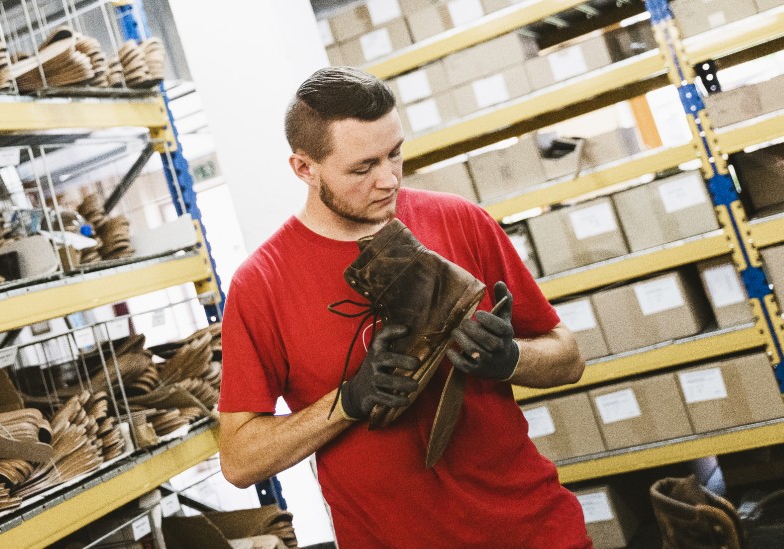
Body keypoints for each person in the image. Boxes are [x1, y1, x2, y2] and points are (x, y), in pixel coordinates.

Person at [217, 66, 590, 548]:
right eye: (362, 167)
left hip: (533, 530)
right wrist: (346, 401)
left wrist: (511, 359)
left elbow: (569, 357)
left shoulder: (460, 221)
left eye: (395, 154)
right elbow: (239, 460)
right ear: (305, 169)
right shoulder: (261, 283)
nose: (388, 179)